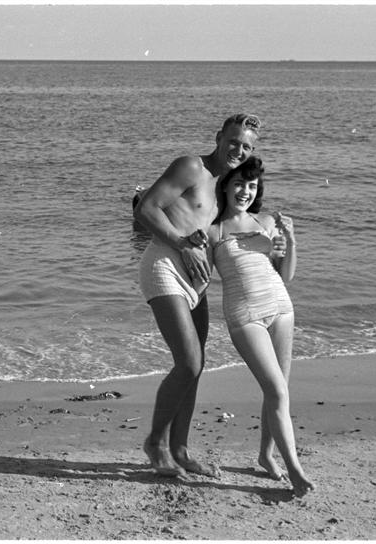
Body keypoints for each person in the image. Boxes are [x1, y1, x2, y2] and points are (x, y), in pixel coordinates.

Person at [134, 113, 261, 477]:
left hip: (197, 283)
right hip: (164, 266)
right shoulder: (191, 167)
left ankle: (180, 449)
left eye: (246, 146)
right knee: (188, 362)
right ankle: (156, 443)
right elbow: (146, 208)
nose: (238, 150)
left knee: (196, 367)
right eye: (233, 141)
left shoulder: (228, 185)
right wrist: (182, 244)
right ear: (218, 137)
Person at [205, 156, 315, 496]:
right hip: (244, 314)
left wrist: (291, 240)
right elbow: (201, 277)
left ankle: (267, 455)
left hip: (281, 307)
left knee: (279, 390)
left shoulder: (266, 221)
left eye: (252, 186)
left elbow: (286, 274)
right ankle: (295, 470)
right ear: (225, 185)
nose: (245, 191)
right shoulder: (213, 230)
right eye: (239, 183)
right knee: (277, 390)